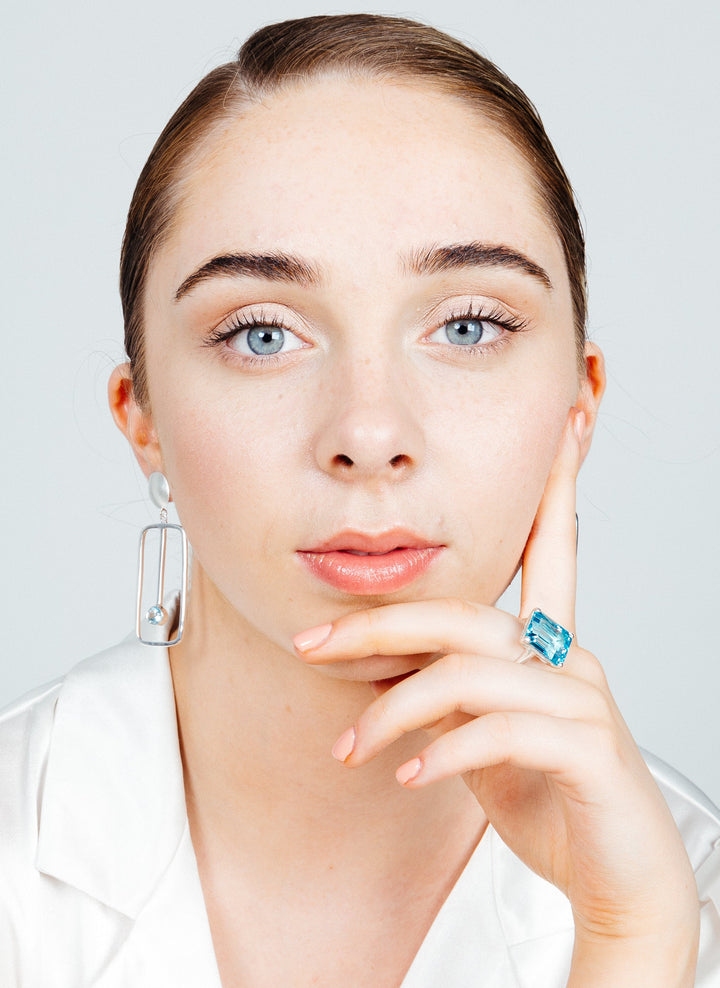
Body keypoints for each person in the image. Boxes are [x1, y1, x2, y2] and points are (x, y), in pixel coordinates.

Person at [1, 13, 719, 987]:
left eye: (468, 325)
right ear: (144, 418)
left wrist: (634, 943)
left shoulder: (686, 892)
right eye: (261, 334)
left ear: (575, 406)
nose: (370, 433)